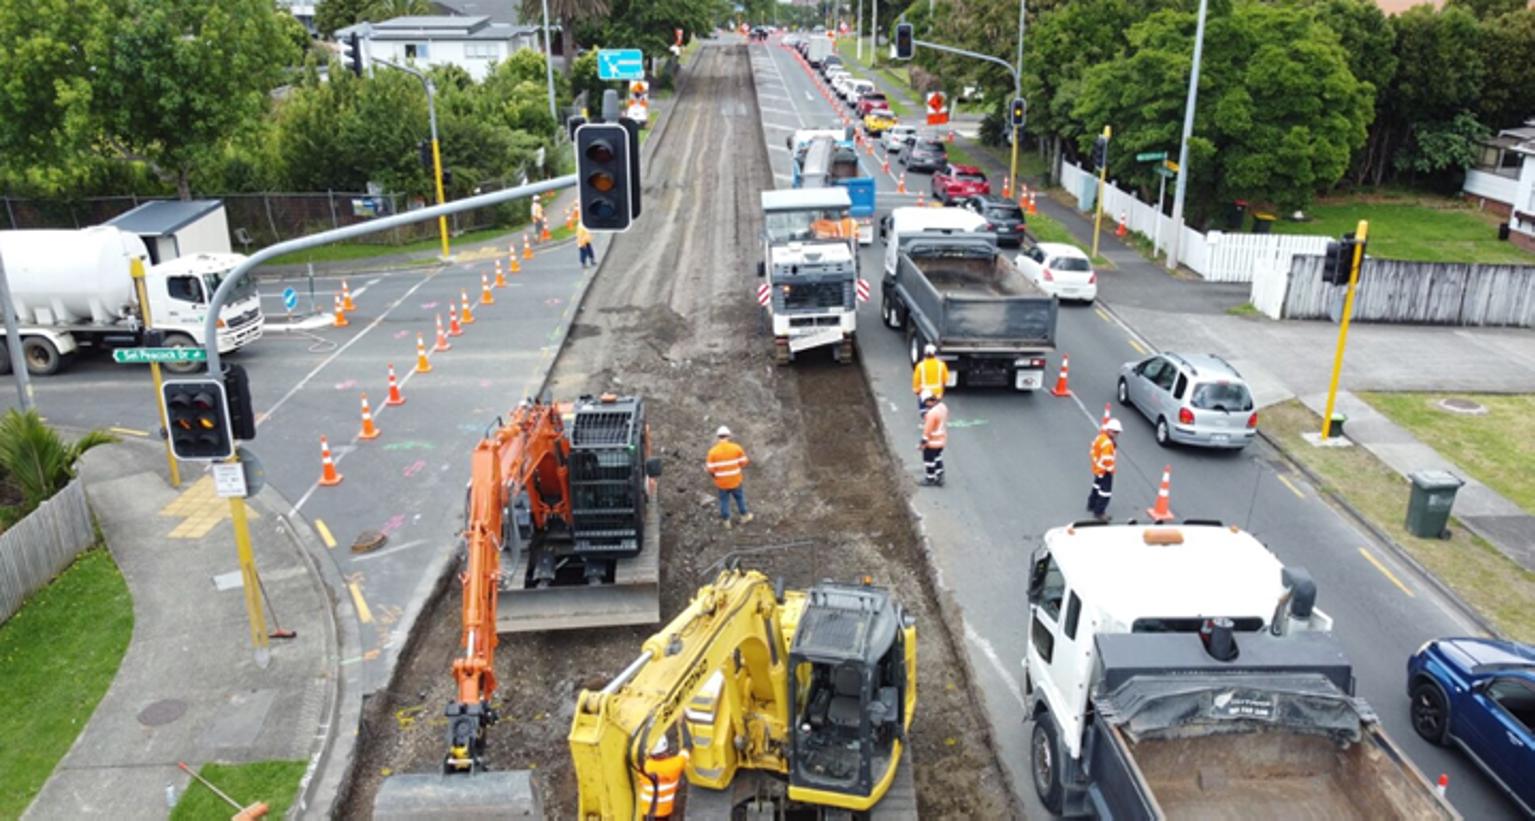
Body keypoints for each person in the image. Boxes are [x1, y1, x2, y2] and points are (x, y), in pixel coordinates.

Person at [706, 426, 753, 528]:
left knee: (724, 501)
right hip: (735, 480)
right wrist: (735, 467)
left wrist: (716, 476)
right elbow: (744, 462)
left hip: (722, 482)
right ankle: (744, 516)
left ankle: (726, 521)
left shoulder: (713, 452)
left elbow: (710, 469)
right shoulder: (736, 448)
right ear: (729, 436)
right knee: (740, 498)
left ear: (718, 437)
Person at [639, 734, 690, 819]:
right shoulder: (674, 765)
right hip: (665, 811)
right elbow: (685, 754)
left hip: (646, 809)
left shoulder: (644, 766)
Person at [1087, 418, 1122, 521]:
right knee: (1105, 493)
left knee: (1096, 487)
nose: (1116, 434)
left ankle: (1091, 504)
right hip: (1105, 471)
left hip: (1098, 469)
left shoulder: (1101, 437)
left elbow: (1093, 449)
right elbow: (1108, 460)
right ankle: (1099, 512)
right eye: (1115, 432)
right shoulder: (1107, 444)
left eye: (1117, 432)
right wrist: (1110, 470)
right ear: (1109, 430)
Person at [918, 391, 947, 486]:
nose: (925, 405)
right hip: (941, 440)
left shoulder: (931, 414)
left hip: (932, 442)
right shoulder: (943, 407)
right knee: (937, 457)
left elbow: (928, 430)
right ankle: (940, 474)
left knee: (929, 460)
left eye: (925, 403)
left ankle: (930, 478)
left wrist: (923, 443)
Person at [911, 344, 949, 415]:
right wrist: (942, 392)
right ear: (935, 353)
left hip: (924, 394)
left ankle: (926, 421)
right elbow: (945, 380)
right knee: (936, 411)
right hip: (937, 394)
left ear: (925, 354)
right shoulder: (941, 365)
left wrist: (917, 391)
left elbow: (916, 382)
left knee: (924, 411)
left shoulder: (920, 366)